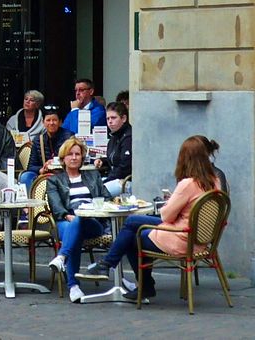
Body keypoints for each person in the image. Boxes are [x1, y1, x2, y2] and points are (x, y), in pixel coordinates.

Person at [80, 135, 223, 302]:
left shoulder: (188, 184)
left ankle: (129, 277)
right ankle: (108, 266)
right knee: (132, 223)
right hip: (199, 238)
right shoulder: (215, 181)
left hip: (182, 237)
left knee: (133, 236)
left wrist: (171, 203)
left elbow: (166, 216)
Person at [46, 137, 110, 302]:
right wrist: (70, 216)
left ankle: (62, 258)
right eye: (70, 154)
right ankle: (73, 286)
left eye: (77, 154)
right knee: (74, 227)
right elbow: (57, 207)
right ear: (63, 158)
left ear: (82, 157)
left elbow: (106, 198)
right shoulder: (54, 180)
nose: (74, 157)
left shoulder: (93, 176)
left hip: (93, 222)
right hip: (66, 221)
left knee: (79, 222)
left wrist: (93, 210)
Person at [20, 105, 72, 190]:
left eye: (54, 120)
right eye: (48, 120)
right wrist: (42, 169)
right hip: (44, 174)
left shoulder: (69, 137)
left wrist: (56, 163)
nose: (51, 123)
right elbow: (31, 166)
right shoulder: (38, 140)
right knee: (26, 176)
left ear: (60, 122)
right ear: (43, 122)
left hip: (63, 172)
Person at [95, 101, 132, 196]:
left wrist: (107, 180)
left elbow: (125, 167)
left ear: (124, 118)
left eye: (113, 118)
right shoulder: (114, 136)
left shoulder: (129, 137)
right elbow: (115, 158)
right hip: (113, 179)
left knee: (96, 192)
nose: (110, 122)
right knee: (88, 187)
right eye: (108, 119)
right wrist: (103, 161)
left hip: (127, 181)